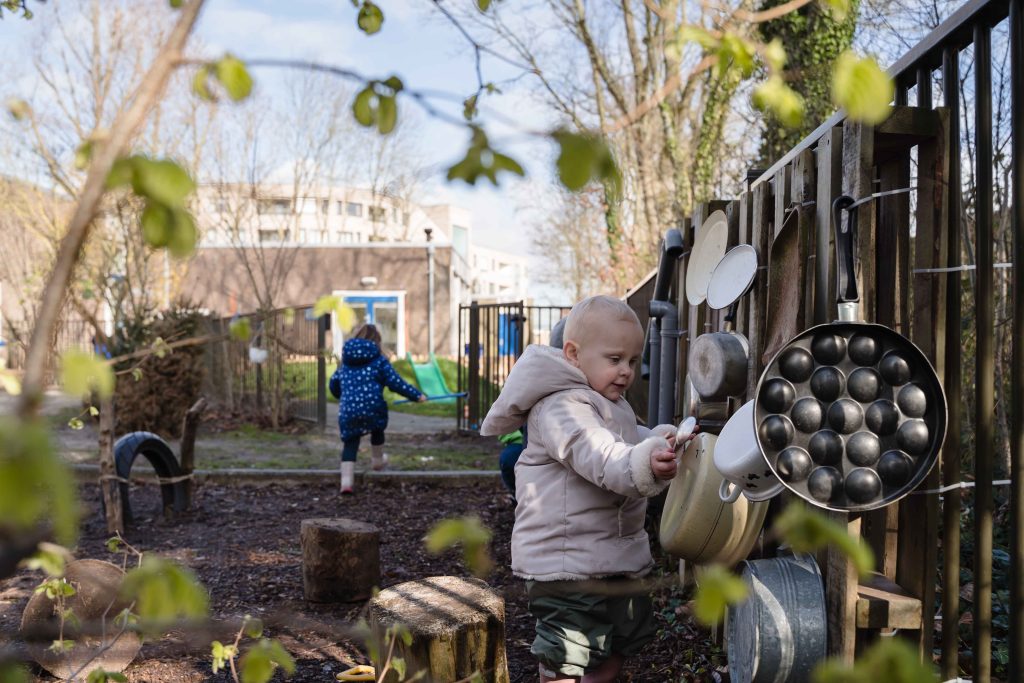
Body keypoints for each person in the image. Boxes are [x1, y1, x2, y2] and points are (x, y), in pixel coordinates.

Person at [480, 295, 684, 683]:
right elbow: (599, 454)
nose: (625, 371)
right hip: (566, 564)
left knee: (617, 644)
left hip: (610, 557)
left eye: (632, 361)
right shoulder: (560, 407)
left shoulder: (609, 401)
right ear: (573, 354)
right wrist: (644, 460)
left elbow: (625, 438)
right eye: (614, 359)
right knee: (566, 657)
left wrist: (657, 441)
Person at [328, 324, 425, 494]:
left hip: (348, 410)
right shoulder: (379, 361)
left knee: (350, 443)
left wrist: (342, 396)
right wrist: (416, 395)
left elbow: (334, 384)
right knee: (377, 430)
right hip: (373, 408)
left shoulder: (345, 362)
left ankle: (346, 483)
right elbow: (396, 383)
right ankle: (377, 462)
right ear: (377, 341)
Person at [497, 316, 568, 500]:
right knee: (512, 459)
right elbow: (508, 412)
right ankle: (518, 495)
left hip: (564, 454)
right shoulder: (536, 381)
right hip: (530, 446)